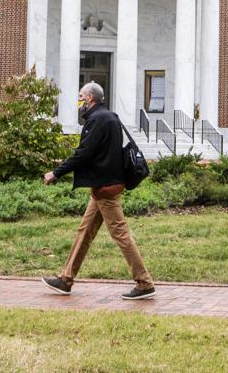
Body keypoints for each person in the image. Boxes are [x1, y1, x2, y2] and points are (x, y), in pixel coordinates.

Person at [42, 81, 155, 300]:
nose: (79, 101)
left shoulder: (97, 120)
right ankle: (65, 279)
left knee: (121, 236)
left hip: (106, 189)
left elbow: (84, 152)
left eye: (81, 97)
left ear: (90, 98)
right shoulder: (111, 117)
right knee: (84, 232)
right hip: (104, 186)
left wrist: (56, 172)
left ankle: (144, 283)